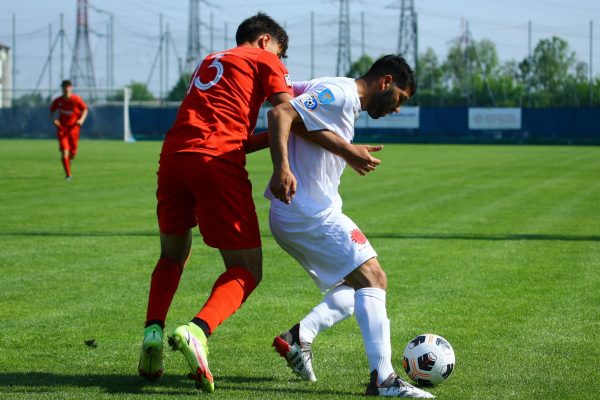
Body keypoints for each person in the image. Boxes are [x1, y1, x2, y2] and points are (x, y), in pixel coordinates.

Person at [136, 13, 297, 393]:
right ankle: (197, 330)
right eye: (281, 52)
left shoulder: (211, 60)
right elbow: (285, 111)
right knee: (247, 269)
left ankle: (153, 333)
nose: (282, 62)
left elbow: (231, 131)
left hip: (174, 157)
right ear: (265, 42)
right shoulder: (264, 59)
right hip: (216, 164)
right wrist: (284, 165)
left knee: (172, 255)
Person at [267, 55, 434, 398]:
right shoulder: (339, 92)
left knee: (358, 287)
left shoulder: (336, 93)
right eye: (400, 99)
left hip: (306, 211)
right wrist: (282, 167)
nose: (398, 109)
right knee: (374, 278)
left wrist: (345, 151)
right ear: (385, 82)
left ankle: (299, 336)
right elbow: (280, 113)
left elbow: (290, 102)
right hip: (307, 212)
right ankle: (383, 380)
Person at [49, 80, 88, 180]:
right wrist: (54, 120)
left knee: (73, 152)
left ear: (71, 88)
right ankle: (68, 175)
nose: (66, 89)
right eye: (64, 87)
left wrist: (81, 120)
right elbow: (51, 111)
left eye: (68, 87)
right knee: (64, 151)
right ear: (62, 88)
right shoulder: (58, 101)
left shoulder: (76, 99)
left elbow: (85, 109)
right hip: (62, 129)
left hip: (74, 128)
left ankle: (68, 163)